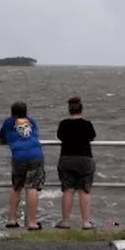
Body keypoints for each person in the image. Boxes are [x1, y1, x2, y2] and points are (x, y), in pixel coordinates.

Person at [0, 100, 44, 230]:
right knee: (32, 188)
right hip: (35, 155)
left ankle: (12, 220)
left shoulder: (8, 122)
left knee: (16, 187)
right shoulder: (32, 122)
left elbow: (2, 137)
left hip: (19, 157)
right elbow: (34, 135)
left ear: (12, 112)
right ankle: (32, 222)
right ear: (26, 112)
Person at [55, 95, 96, 229]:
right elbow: (92, 137)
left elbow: (60, 136)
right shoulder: (87, 124)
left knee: (68, 190)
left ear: (69, 110)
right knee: (84, 191)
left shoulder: (64, 124)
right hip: (84, 159)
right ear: (81, 110)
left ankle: (65, 221)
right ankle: (86, 222)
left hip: (67, 158)